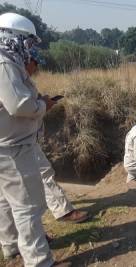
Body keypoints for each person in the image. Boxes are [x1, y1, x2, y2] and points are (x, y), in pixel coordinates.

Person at [0, 12, 69, 266]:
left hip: (5, 145)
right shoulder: (4, 63)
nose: (29, 49)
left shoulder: (8, 62)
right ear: (14, 37)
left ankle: (11, 246)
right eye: (27, 42)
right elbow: (19, 106)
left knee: (6, 201)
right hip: (13, 148)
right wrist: (43, 105)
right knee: (27, 205)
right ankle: (39, 261)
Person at [25, 48, 89, 224]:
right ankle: (63, 211)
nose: (36, 68)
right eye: (35, 63)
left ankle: (13, 242)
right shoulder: (10, 77)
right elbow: (21, 108)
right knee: (43, 172)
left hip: (17, 139)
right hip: (20, 140)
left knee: (9, 189)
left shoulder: (16, 78)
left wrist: (40, 101)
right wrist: (43, 105)